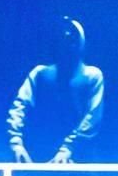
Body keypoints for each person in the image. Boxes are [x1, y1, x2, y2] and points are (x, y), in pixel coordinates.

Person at [7, 16, 104, 164]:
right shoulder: (40, 74)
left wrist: (69, 148)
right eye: (64, 40)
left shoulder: (92, 76)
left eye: (72, 39)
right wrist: (16, 143)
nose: (68, 43)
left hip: (78, 160)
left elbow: (92, 117)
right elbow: (19, 106)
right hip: (38, 156)